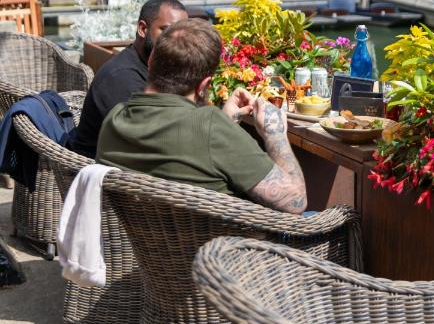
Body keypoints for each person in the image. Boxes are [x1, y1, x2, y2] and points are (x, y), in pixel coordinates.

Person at [96, 18, 307, 214]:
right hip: (226, 242)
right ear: (204, 85)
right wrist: (275, 133)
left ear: (151, 61)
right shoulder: (211, 127)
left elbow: (182, 146)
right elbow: (294, 201)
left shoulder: (115, 118)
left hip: (137, 240)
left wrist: (226, 122)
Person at [69, 0, 188, 158]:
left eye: (184, 34)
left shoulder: (155, 68)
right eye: (167, 31)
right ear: (143, 29)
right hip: (102, 167)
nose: (177, 41)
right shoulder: (121, 77)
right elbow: (145, 142)